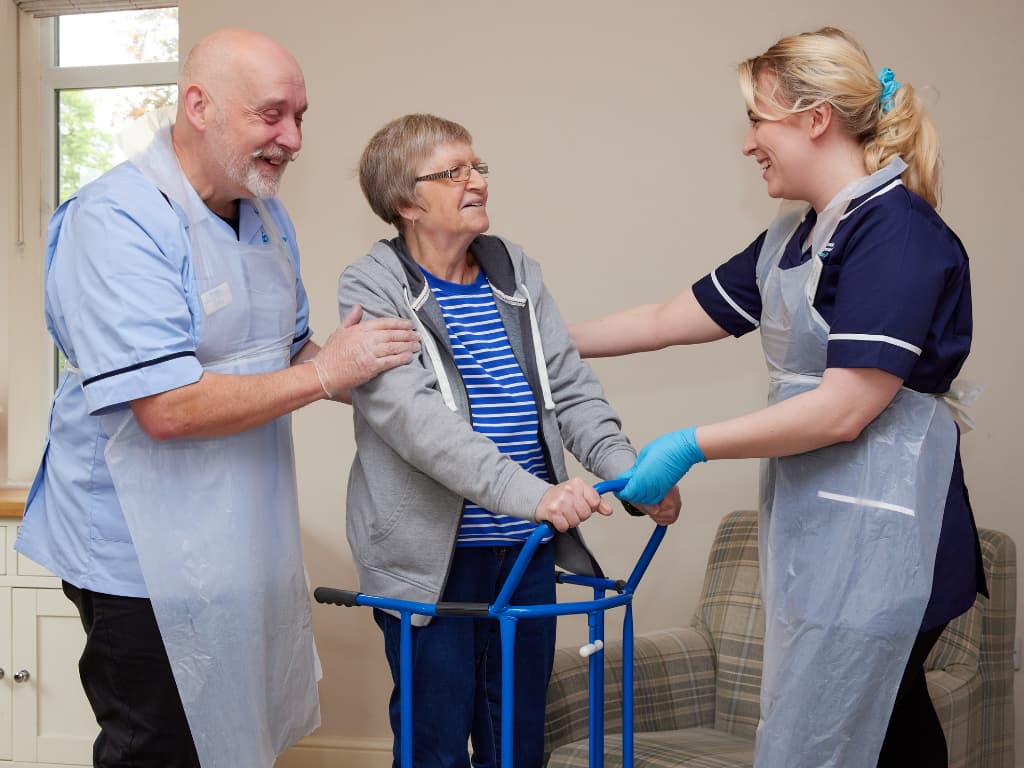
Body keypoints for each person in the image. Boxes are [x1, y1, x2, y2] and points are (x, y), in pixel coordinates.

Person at [571, 27, 986, 768]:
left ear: (815, 118)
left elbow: (845, 408)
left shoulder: (897, 235)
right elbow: (669, 319)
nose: (747, 143)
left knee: (875, 726)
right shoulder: (794, 239)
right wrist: (532, 343)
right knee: (864, 725)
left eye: (758, 120)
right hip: (823, 529)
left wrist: (690, 443)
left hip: (892, 541)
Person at [14, 28, 420, 768]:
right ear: (198, 105)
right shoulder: (116, 221)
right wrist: (328, 374)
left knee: (234, 733)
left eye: (301, 117)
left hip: (237, 537)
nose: (292, 138)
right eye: (272, 115)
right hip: (134, 550)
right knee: (159, 744)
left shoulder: (265, 215)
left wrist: (379, 369)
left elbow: (291, 353)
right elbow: (166, 407)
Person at [340, 113, 679, 768]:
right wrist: (539, 495)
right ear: (407, 202)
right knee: (435, 747)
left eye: (478, 167)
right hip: (430, 566)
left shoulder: (514, 271)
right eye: (453, 172)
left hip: (523, 551)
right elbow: (418, 426)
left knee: (519, 744)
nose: (477, 182)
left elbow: (571, 388)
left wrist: (634, 475)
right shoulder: (372, 285)